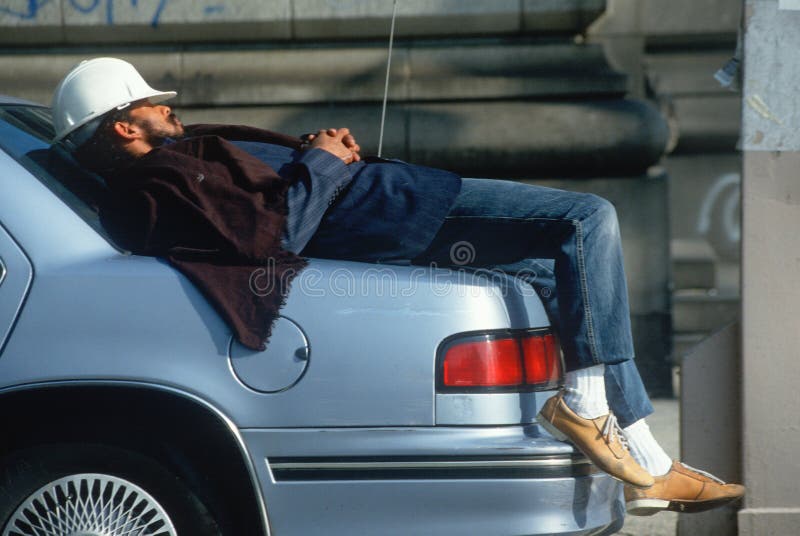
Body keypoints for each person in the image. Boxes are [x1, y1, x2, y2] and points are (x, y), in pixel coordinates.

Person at [51, 57, 744, 516]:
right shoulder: (158, 179)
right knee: (587, 219)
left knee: (552, 273)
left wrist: (317, 152)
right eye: (153, 106)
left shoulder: (174, 160)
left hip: (389, 198)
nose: (170, 111)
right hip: (394, 212)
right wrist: (321, 163)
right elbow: (275, 233)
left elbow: (264, 201)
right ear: (124, 125)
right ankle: (598, 418)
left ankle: (645, 462)